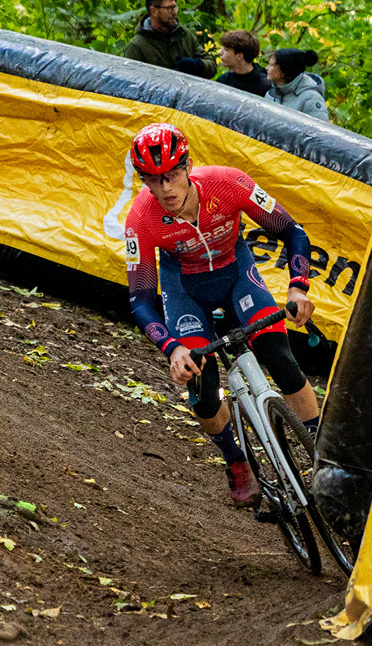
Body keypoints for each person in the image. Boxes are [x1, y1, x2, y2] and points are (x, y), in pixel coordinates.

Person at [122, 123, 321, 508]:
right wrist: (172, 347)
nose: (165, 189)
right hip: (186, 291)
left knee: (279, 357)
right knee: (202, 388)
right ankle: (236, 462)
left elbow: (293, 232)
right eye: (152, 180)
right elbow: (142, 300)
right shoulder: (140, 220)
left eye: (172, 175)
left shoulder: (229, 183)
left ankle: (322, 453)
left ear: (189, 165)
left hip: (236, 275)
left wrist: (298, 285)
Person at [121, 0, 215, 77]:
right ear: (154, 11)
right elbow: (130, 83)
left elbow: (211, 65)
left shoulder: (184, 35)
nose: (174, 12)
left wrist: (198, 65)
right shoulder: (136, 46)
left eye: (175, 7)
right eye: (169, 8)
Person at [264, 49, 330, 121]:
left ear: (284, 71)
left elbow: (318, 130)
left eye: (272, 65)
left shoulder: (311, 98)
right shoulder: (271, 94)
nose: (266, 68)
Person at [215, 29, 269, 97]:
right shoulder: (224, 80)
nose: (220, 52)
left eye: (226, 50)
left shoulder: (264, 84)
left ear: (239, 56)